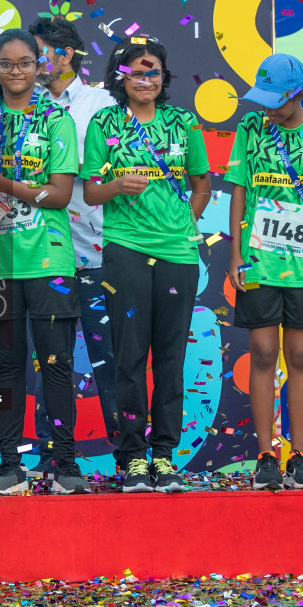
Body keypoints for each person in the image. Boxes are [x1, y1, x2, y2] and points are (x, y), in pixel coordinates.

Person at [0, 28, 86, 495]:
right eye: (6, 64)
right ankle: (9, 465)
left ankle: (65, 463)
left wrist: (4, 184)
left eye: (24, 63)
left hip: (49, 261)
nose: (16, 72)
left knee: (57, 364)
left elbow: (61, 195)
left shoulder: (55, 119)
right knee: (7, 367)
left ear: (38, 65)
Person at [82, 37, 212, 493]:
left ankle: (164, 455)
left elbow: (202, 183)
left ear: (164, 75)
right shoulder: (105, 121)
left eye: (153, 71)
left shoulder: (182, 122)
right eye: (137, 72)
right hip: (125, 249)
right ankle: (134, 456)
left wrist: (185, 221)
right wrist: (116, 184)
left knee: (172, 356)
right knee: (131, 354)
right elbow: (90, 191)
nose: (146, 80)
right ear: (121, 76)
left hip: (178, 253)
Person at [224, 53, 303, 491]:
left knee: (300, 356)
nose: (268, 107)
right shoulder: (251, 129)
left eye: (277, 99)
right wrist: (235, 253)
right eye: (264, 98)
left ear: (300, 93)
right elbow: (238, 191)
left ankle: (299, 453)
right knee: (262, 352)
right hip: (257, 262)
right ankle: (265, 454)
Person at [28, 15, 119, 476]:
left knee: (113, 361)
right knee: (53, 362)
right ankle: (52, 455)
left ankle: (129, 459)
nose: (30, 62)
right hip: (50, 255)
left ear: (65, 55)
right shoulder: (25, 106)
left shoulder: (104, 103)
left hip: (104, 254)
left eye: (38, 52)